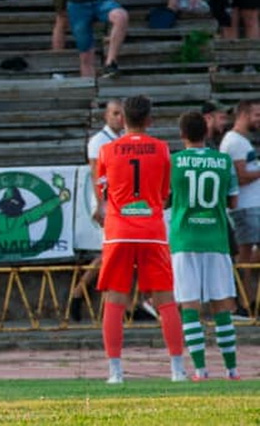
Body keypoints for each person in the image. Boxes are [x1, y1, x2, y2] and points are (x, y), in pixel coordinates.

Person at [94, 94, 187, 383]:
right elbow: (163, 194)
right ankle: (177, 370)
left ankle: (115, 372)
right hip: (151, 232)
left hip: (119, 232)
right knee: (165, 301)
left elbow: (102, 193)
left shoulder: (107, 150)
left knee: (115, 300)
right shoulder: (161, 149)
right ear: (149, 119)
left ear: (123, 118)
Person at [170, 110, 242, 381]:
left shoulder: (174, 161)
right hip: (216, 239)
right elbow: (232, 202)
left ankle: (200, 369)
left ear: (182, 135)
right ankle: (232, 369)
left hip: (184, 239)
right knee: (222, 304)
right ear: (207, 133)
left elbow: (166, 195)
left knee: (190, 305)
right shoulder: (223, 162)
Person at [70, 100, 124, 321]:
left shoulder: (122, 139)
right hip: (107, 201)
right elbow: (96, 174)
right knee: (111, 252)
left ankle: (122, 303)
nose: (119, 118)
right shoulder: (98, 141)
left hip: (120, 201)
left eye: (122, 114)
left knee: (114, 252)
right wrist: (100, 204)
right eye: (115, 114)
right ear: (106, 116)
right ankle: (81, 293)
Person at [222, 100, 260, 312]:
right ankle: (243, 301)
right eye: (257, 114)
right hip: (245, 207)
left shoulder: (241, 141)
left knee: (247, 253)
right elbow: (241, 175)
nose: (259, 119)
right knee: (245, 254)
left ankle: (250, 299)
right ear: (244, 115)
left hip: (251, 206)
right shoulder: (234, 141)